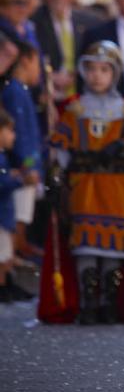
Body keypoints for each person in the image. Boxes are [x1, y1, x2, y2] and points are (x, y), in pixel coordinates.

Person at [50, 41, 124, 324]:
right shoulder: (74, 109)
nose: (97, 76)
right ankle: (88, 303)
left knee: (114, 246)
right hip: (84, 184)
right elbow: (60, 147)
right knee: (86, 245)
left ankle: (108, 303)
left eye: (104, 70)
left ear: (115, 73)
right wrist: (60, 174)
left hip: (116, 186)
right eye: (91, 69)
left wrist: (123, 147)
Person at [31, 0, 101, 100]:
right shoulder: (32, 22)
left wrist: (78, 75)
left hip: (83, 98)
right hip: (48, 99)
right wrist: (47, 77)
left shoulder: (91, 21)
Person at [2, 41, 43, 263]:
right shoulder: (15, 91)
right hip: (21, 168)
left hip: (26, 166)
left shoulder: (21, 91)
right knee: (16, 220)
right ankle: (9, 270)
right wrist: (29, 165)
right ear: (26, 60)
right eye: (38, 62)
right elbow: (23, 136)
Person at [0, 109, 39, 302]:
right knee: (3, 258)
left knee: (5, 256)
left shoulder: (4, 158)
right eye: (10, 131)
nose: (13, 136)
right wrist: (21, 180)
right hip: (2, 216)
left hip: (5, 216)